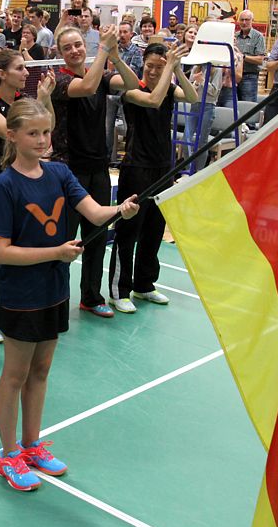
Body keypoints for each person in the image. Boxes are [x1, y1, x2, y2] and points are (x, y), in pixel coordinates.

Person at [0, 98, 139, 491]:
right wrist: (56, 252)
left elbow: (93, 212)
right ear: (13, 136)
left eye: (46, 132)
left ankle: (32, 444)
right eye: (33, 133)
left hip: (55, 289)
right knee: (15, 374)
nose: (42, 140)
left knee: (40, 371)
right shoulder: (4, 186)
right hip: (21, 294)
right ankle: (7, 456)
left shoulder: (59, 173)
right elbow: (0, 252)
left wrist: (119, 209)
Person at [52, 26, 140, 318]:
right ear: (60, 53)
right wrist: (104, 50)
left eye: (78, 45)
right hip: (69, 170)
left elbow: (132, 84)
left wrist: (114, 53)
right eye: (68, 47)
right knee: (65, 240)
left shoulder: (101, 75)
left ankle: (91, 297)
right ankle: (55, 300)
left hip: (99, 168)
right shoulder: (60, 81)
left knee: (97, 237)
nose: (75, 50)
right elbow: (87, 87)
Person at [0, 50, 56, 345]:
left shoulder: (24, 104)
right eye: (20, 68)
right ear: (2, 73)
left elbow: (48, 129)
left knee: (20, 255)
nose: (26, 73)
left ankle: (11, 313)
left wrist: (43, 100)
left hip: (27, 190)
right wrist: (36, 108)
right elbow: (8, 131)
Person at [108, 43, 197, 314]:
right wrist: (169, 66)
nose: (155, 71)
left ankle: (144, 284)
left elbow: (192, 98)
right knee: (128, 230)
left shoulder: (169, 88)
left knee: (154, 230)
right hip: (136, 167)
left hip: (162, 168)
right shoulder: (131, 90)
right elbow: (154, 100)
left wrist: (178, 71)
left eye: (160, 66)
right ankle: (119, 290)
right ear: (142, 65)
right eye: (151, 66)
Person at [105, 21, 144, 162]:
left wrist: (115, 73)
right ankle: (107, 157)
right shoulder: (113, 49)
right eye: (119, 32)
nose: (121, 35)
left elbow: (132, 73)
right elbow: (108, 71)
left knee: (129, 126)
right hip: (111, 91)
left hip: (127, 93)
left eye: (125, 32)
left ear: (131, 34)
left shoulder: (136, 52)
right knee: (107, 126)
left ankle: (130, 157)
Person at [234, 10, 266, 102]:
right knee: (233, 106)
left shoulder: (258, 37)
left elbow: (260, 60)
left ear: (252, 20)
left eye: (247, 20)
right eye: (242, 20)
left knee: (247, 105)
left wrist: (242, 56)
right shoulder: (234, 36)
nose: (244, 22)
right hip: (233, 77)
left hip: (249, 77)